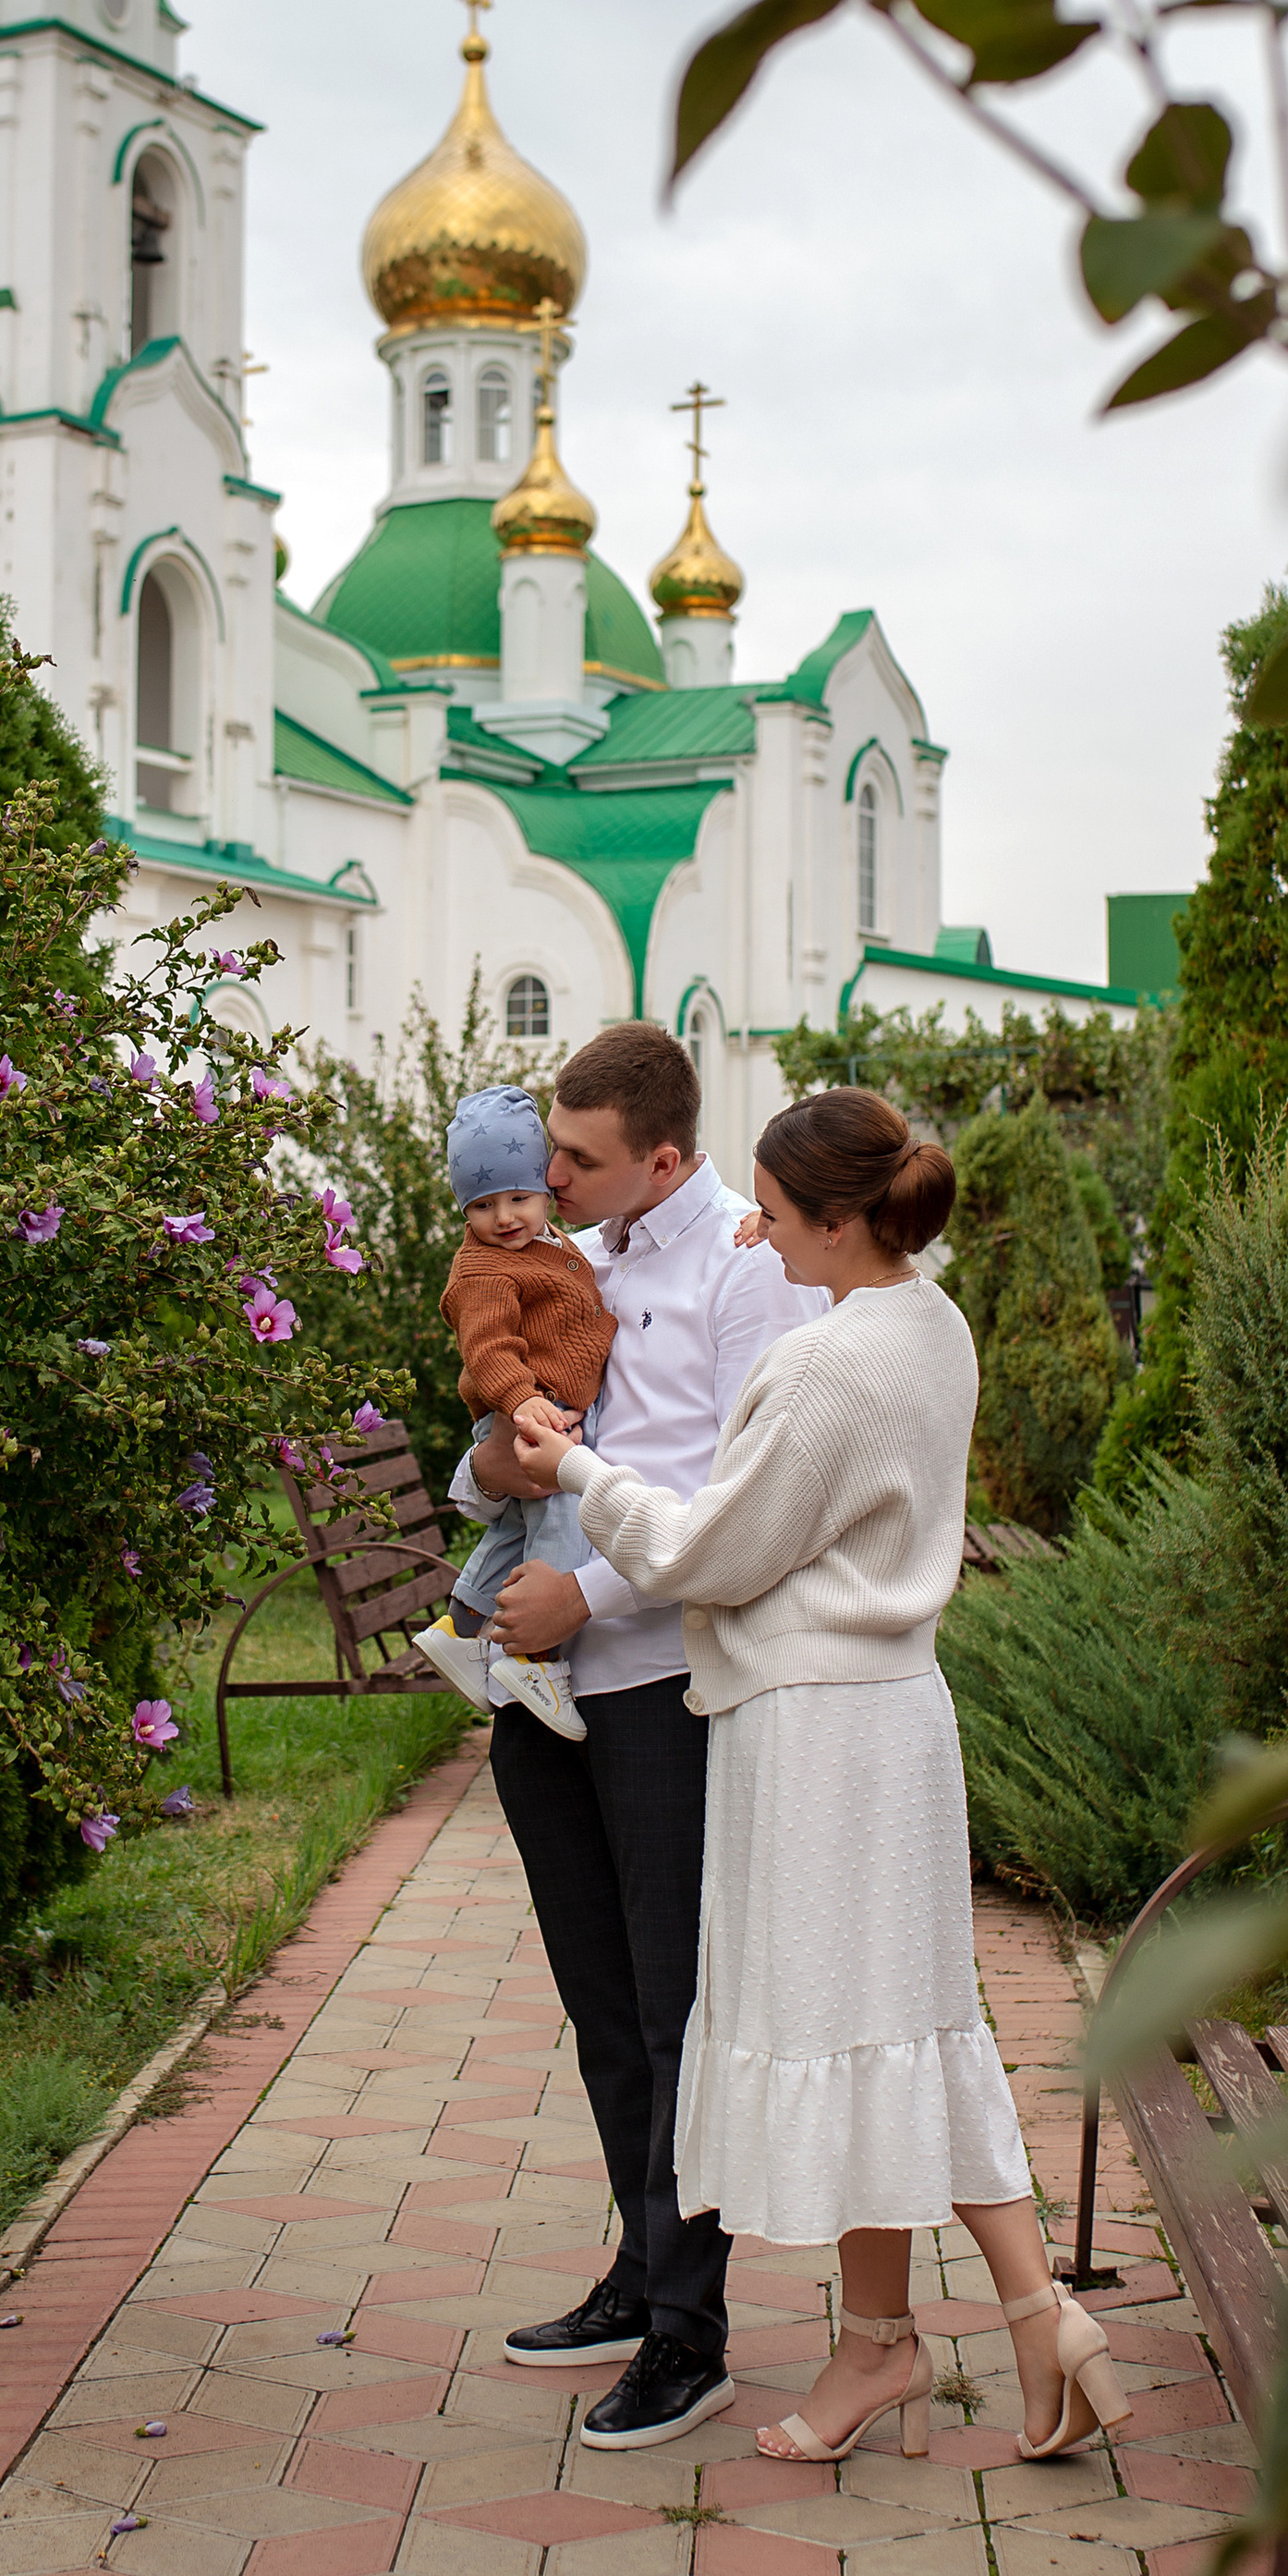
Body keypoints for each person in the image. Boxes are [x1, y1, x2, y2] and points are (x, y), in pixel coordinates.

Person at [511, 1085, 1130, 2468]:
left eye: (777, 1216)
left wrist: (582, 1471)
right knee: (898, 2026)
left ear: (839, 1220)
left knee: (859, 2029)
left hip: (813, 1734)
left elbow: (710, 1554)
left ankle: (986, 2326)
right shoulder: (933, 1326)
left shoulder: (824, 1366)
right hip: (897, 1717)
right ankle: (921, 2342)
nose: (754, 1234)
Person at [459, 1023, 826, 2450]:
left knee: (679, 2015)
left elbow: (745, 1506)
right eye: (549, 1150)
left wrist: (588, 1595)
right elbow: (501, 1454)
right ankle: (637, 2263)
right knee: (600, 2004)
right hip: (538, 1694)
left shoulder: (748, 1268)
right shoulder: (568, 1259)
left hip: (660, 1688)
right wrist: (489, 1464)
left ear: (664, 1157)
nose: (544, 1176)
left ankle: (692, 2331)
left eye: (578, 1157)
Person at [412, 1082, 615, 1741]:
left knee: (515, 1533)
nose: (504, 1217)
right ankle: (536, 1658)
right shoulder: (483, 1270)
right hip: (527, 1408)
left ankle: (463, 1627)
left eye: (519, 1198)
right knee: (562, 1519)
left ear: (545, 1191)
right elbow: (490, 1348)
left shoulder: (546, 1242)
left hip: (540, 1405)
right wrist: (523, 1400)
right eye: (482, 1205)